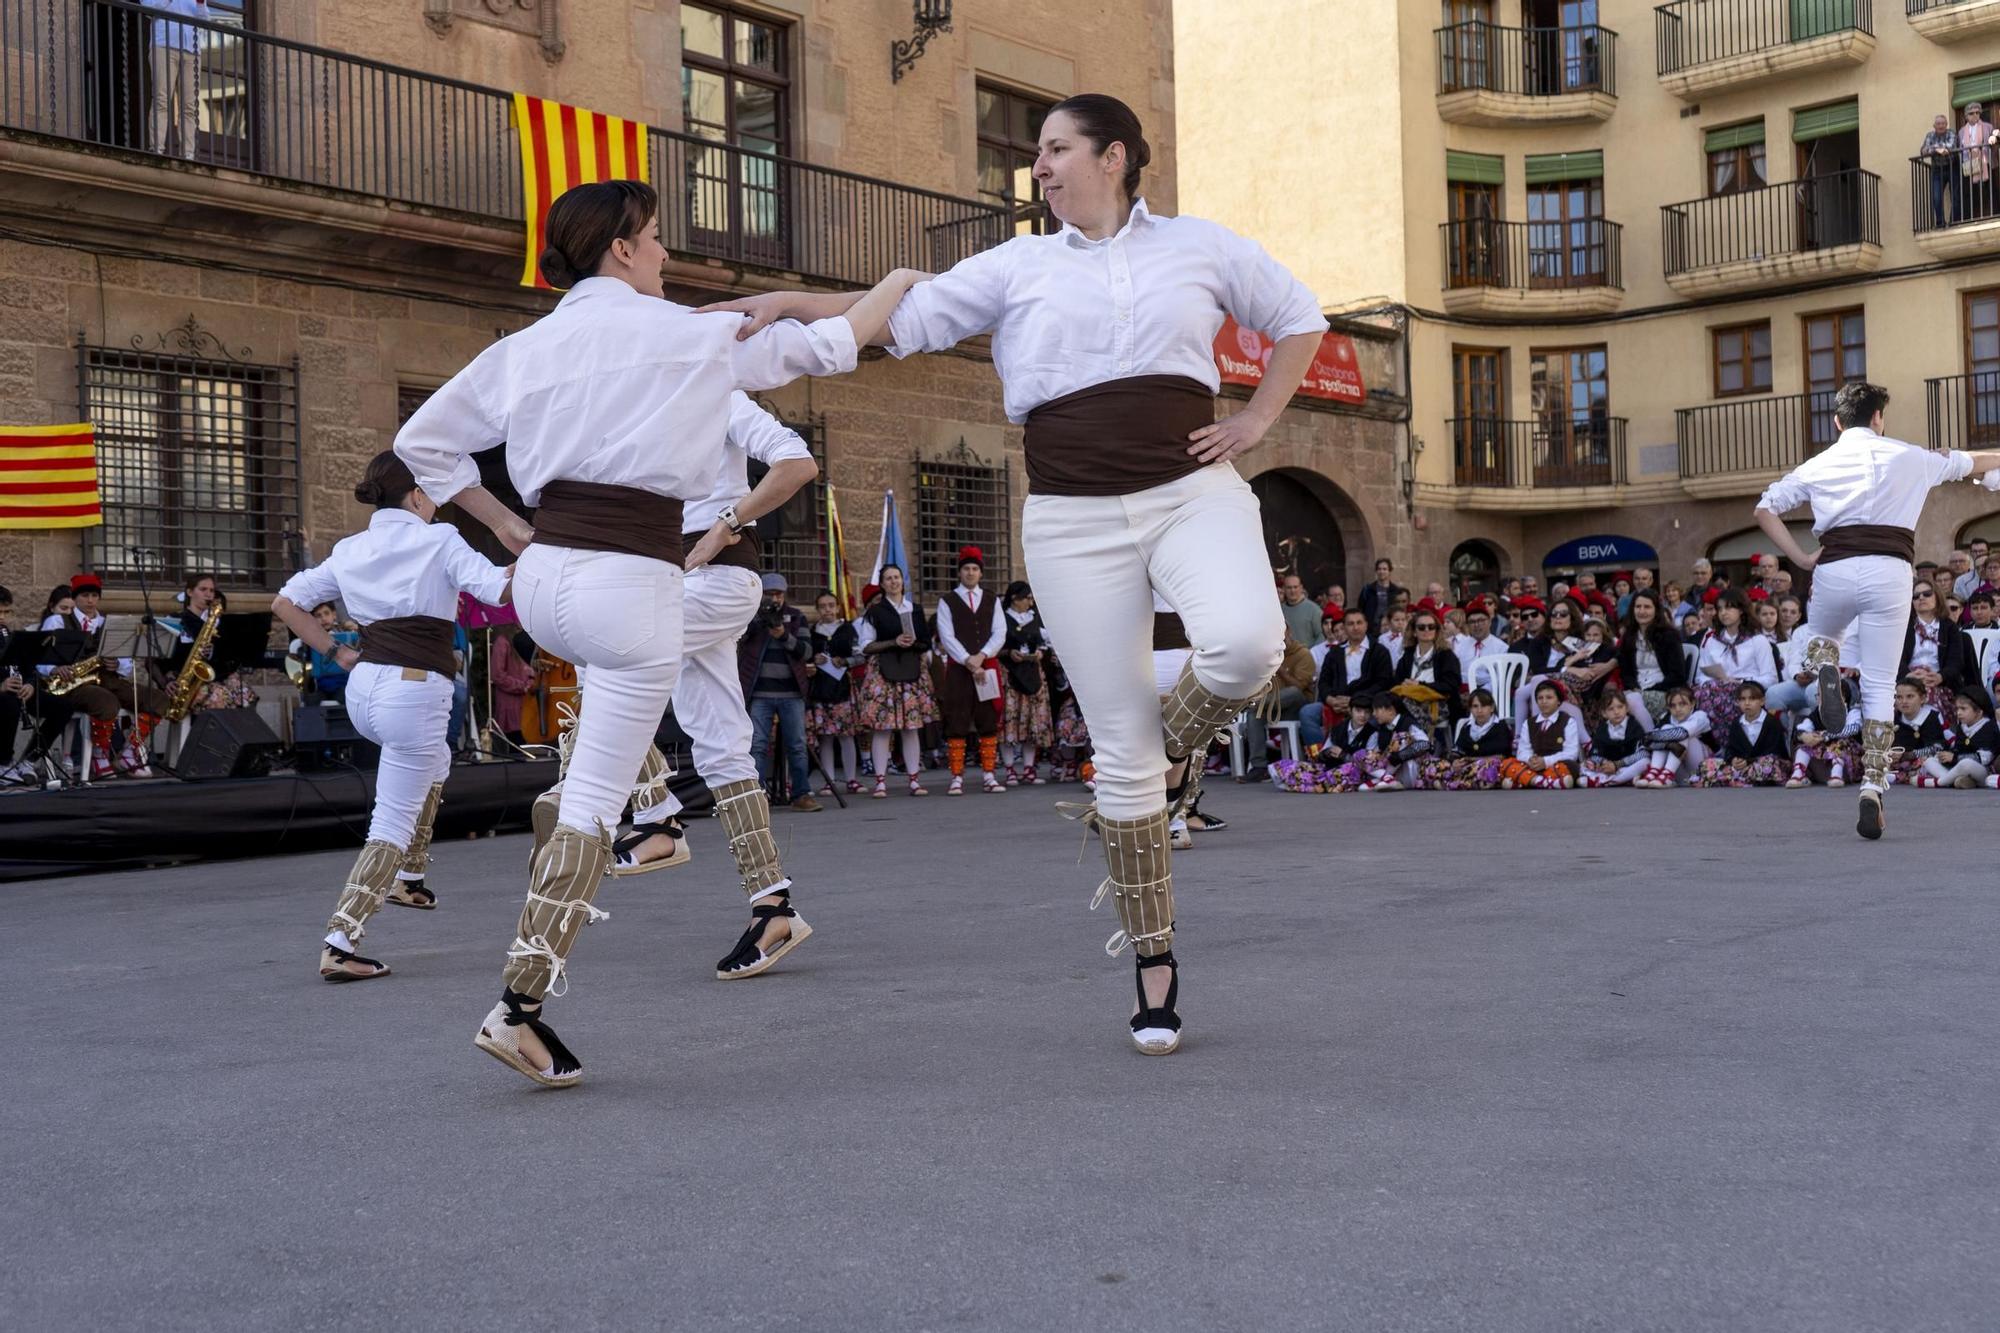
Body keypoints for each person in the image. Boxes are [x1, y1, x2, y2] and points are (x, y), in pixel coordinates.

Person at [704, 93, 1324, 1054]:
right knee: (1119, 753)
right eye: (1037, 151)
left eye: (1056, 148)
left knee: (1248, 646)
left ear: (1113, 157)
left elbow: (1299, 319)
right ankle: (1154, 962)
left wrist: (1255, 420)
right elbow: (892, 321)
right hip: (1072, 518)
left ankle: (1170, 754)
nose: (1037, 166)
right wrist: (790, 302)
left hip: (1189, 489)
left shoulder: (1199, 245)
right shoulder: (1017, 264)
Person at [395, 178, 920, 1087]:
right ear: (624, 247)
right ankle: (525, 998)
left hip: (545, 582)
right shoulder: (686, 333)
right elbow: (841, 340)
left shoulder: (525, 345)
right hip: (632, 579)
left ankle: (669, 831)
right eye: (658, 237)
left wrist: (508, 525)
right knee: (595, 803)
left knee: (655, 739)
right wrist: (898, 279)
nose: (668, 253)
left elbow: (421, 445)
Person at [274, 451, 512, 983]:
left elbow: (284, 603)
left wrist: (336, 652)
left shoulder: (350, 548)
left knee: (437, 761)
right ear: (418, 495)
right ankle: (341, 941)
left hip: (364, 690)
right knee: (391, 820)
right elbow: (498, 589)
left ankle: (409, 873)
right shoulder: (440, 538)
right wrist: (544, 557)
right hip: (414, 693)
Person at [1754, 381, 2000, 838]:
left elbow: (1765, 509)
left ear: (1836, 422)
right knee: (1881, 683)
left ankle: (1826, 668)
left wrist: (1801, 558)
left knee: (1823, 637)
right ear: (1879, 418)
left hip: (1834, 567)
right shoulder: (1910, 456)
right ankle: (1872, 784)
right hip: (1890, 570)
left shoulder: (1818, 463)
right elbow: (1976, 461)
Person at [41, 571, 174, 778]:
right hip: (74, 684)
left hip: (108, 680)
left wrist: (117, 664)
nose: (90, 601)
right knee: (106, 702)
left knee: (158, 699)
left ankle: (130, 752)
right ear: (75, 598)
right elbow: (40, 656)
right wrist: (54, 669)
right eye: (85, 595)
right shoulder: (58, 621)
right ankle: (99, 754)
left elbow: (127, 664)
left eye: (94, 596)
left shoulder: (109, 624)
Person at [856, 562, 938, 798]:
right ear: (882, 584)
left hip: (911, 670)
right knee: (883, 728)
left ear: (903, 581)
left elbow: (926, 642)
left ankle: (914, 779)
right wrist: (894, 641)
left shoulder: (915, 609)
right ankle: (880, 781)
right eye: (889, 578)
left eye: (897, 577)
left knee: (911, 727)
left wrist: (913, 642)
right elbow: (866, 646)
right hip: (885, 671)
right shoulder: (876, 611)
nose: (894, 582)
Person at [934, 545, 1009, 796]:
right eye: (966, 568)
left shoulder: (991, 599)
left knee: (988, 718)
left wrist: (982, 656)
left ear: (980, 573)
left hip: (986, 666)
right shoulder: (947, 601)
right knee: (957, 718)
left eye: (974, 568)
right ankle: (956, 776)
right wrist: (968, 660)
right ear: (959, 572)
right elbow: (947, 636)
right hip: (959, 669)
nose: (970, 572)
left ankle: (989, 775)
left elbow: (1000, 631)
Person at [741, 573, 817, 810]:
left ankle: (801, 794)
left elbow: (806, 652)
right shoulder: (750, 615)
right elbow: (739, 640)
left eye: (778, 594)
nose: (774, 599)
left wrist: (783, 635)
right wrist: (758, 622)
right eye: (769, 594)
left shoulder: (796, 617)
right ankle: (758, 796)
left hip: (791, 693)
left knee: (797, 744)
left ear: (784, 595)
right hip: (759, 692)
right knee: (757, 745)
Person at [1304, 607, 1391, 750]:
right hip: (1336, 702)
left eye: (1359, 623)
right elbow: (1324, 682)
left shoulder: (1379, 651)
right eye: (1350, 624)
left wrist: (1354, 700)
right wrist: (1330, 699)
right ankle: (1318, 754)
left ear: (1366, 625)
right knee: (1307, 712)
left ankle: (1358, 755)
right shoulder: (1334, 653)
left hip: (1367, 703)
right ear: (1344, 627)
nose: (1355, 627)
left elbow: (1383, 682)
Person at [1693, 589, 1776, 736]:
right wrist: (1717, 682)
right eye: (1720, 609)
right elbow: (1700, 676)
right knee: (1697, 694)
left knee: (1730, 696)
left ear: (1741, 610)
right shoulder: (1712, 640)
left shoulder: (1757, 640)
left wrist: (1741, 681)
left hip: (1747, 690)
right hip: (1716, 690)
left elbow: (1770, 679)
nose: (1723, 613)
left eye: (1729, 607)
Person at [1899, 578, 1982, 718]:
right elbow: (1894, 659)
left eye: (1927, 594)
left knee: (1930, 700)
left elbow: (1956, 662)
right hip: (1908, 681)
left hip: (1941, 681)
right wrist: (1908, 675)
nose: (1921, 598)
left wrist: (1940, 676)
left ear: (1937, 597)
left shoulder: (1949, 628)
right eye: (1916, 596)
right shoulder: (1902, 627)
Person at [999, 580, 1055, 785]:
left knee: (1033, 722)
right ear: (1015, 598)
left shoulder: (1035, 618)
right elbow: (995, 645)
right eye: (1027, 598)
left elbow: (1045, 642)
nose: (1030, 603)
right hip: (1010, 674)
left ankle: (1029, 768)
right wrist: (1008, 653)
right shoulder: (1002, 618)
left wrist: (1040, 652)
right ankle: (1009, 769)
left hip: (1032, 674)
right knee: (1010, 722)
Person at [808, 592, 862, 795]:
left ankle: (851, 779)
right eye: (823, 606)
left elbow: (860, 655)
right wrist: (814, 660)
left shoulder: (848, 629)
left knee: (846, 735)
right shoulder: (813, 632)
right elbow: (805, 656)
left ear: (838, 607)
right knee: (826, 737)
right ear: (817, 609)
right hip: (820, 688)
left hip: (842, 687)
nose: (827, 610)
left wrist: (845, 661)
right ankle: (829, 781)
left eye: (831, 605)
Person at [143, 0, 208, 160]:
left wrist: (201, 3)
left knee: (190, 105)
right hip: (163, 45)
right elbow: (147, 8)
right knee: (162, 99)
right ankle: (157, 149)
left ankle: (188, 154)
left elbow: (204, 19)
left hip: (191, 50)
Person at [1616, 589, 1688, 731]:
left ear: (1656, 610)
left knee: (1631, 700)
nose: (1642, 611)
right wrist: (1634, 688)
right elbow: (1626, 673)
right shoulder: (1628, 637)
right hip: (1636, 690)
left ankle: (1651, 735)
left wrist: (1649, 690)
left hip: (1664, 691)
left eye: (1647, 607)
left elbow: (1678, 675)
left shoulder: (1669, 636)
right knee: (1617, 702)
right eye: (1638, 607)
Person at [1696, 681, 1790, 787]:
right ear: (1737, 702)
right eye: (1742, 699)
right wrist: (1734, 760)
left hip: (1765, 763)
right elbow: (1731, 749)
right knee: (1706, 765)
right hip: (1743, 767)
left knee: (1768, 763)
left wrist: (1749, 761)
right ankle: (1743, 778)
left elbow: (1775, 751)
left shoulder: (1771, 722)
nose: (1747, 703)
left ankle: (1737, 778)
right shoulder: (1736, 723)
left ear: (1762, 701)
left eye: (1752, 699)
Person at [1417, 687, 1512, 791]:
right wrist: (1455, 761)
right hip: (1465, 768)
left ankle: (1447, 782)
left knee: (1486, 768)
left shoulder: (1501, 726)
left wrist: (1473, 760)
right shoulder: (1467, 727)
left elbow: (1502, 756)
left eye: (1484, 706)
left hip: (1485, 766)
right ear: (1470, 709)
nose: (1479, 710)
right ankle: (1454, 782)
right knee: (1429, 762)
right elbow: (1457, 750)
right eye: (1475, 706)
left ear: (1492, 708)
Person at [1498, 679, 1578, 790]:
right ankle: (1544, 782)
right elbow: (1522, 751)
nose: (1544, 701)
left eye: (1549, 698)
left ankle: (1525, 781)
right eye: (1540, 698)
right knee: (1506, 764)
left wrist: (1545, 761)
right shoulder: (1529, 723)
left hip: (1555, 765)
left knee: (1568, 767)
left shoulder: (1568, 721)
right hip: (1533, 767)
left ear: (1558, 701)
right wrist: (1530, 759)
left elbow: (1571, 753)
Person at [1636, 684, 1711, 788]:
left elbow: (1681, 733)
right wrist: (1666, 745)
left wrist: (1649, 738)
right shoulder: (1667, 718)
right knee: (1666, 728)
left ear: (1692, 703)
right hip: (1681, 773)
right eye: (1673, 706)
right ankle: (1655, 772)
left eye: (1682, 704)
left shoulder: (1700, 716)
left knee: (1682, 736)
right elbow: (1648, 744)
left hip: (1701, 771)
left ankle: (1667, 774)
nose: (1678, 709)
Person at [1919, 691, 1996, 788]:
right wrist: (1945, 756)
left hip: (1982, 770)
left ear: (1979, 712)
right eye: (1957, 709)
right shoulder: (1962, 726)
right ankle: (1957, 781)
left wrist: (1955, 757)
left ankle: (1940, 782)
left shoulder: (1988, 727)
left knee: (1966, 763)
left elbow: (1986, 758)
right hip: (1959, 767)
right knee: (1929, 761)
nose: (1958, 713)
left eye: (1963, 709)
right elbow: (1958, 748)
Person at [1889, 676, 1952, 785]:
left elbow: (1937, 747)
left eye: (1910, 696)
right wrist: (1891, 754)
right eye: (1899, 697)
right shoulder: (1894, 719)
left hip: (1924, 760)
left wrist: (1910, 754)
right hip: (1901, 763)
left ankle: (1946, 779)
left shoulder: (1931, 718)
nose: (1904, 701)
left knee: (1929, 763)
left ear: (1922, 698)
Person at [1580, 691, 1647, 788]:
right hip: (1607, 768)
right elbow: (1595, 753)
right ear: (1604, 713)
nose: (1616, 712)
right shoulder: (1602, 729)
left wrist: (1618, 764)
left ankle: (1611, 781)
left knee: (1645, 762)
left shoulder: (1634, 727)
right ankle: (1625, 779)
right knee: (1585, 765)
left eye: (1620, 707)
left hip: (1627, 765)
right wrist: (1603, 763)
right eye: (1611, 709)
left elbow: (1643, 753)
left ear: (1626, 708)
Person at [1924, 113, 1960, 229]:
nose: (1941, 126)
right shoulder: (1930, 135)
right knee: (1936, 197)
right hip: (1937, 170)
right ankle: (1940, 222)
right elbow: (1923, 150)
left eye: (1943, 123)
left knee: (1955, 196)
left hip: (1952, 167)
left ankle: (1954, 221)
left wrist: (1933, 148)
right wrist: (1938, 149)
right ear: (1934, 125)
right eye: (1938, 124)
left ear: (1946, 124)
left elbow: (1951, 146)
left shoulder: (1951, 133)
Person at [1277, 574, 1322, 648]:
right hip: (1287, 653)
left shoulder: (1314, 610)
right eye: (1289, 587)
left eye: (1295, 587)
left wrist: (1313, 652)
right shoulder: (1280, 611)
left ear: (1301, 587)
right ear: (1284, 589)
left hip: (1308, 653)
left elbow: (1321, 634)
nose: (1292, 590)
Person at [1358, 558, 1403, 630]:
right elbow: (1360, 609)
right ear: (1376, 571)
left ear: (1389, 571)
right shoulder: (1368, 589)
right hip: (1371, 629)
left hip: (1390, 628)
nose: (1381, 571)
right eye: (1379, 569)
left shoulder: (1395, 590)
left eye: (1384, 569)